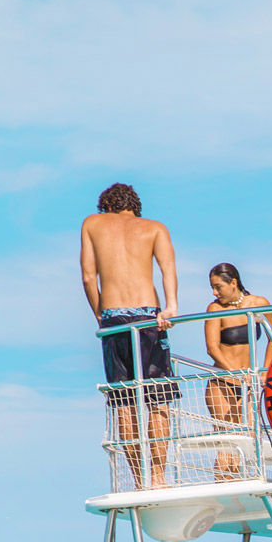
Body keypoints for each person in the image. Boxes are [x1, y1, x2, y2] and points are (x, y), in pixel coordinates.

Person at [81, 183, 180, 482]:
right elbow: (168, 269)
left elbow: (88, 277)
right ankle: (159, 478)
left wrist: (100, 314)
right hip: (149, 317)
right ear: (135, 206)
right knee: (158, 401)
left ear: (107, 206)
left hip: (114, 318)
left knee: (125, 404)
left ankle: (139, 480)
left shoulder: (93, 223)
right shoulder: (155, 228)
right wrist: (171, 307)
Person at [203, 262, 272, 479]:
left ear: (233, 283)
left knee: (248, 443)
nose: (215, 293)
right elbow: (212, 348)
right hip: (223, 383)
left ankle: (244, 489)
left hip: (250, 385)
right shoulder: (215, 309)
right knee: (228, 445)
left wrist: (264, 371)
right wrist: (236, 374)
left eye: (218, 287)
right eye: (212, 288)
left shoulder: (259, 303)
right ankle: (224, 490)